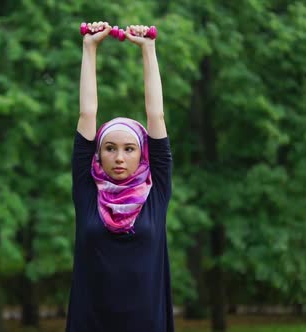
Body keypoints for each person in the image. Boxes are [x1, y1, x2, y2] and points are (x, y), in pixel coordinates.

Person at [65, 21, 174, 332]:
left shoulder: (157, 192)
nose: (120, 157)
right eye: (110, 148)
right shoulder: (88, 193)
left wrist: (148, 50)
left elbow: (156, 116)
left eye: (129, 149)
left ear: (143, 154)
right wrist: (89, 48)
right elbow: (87, 114)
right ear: (98, 154)